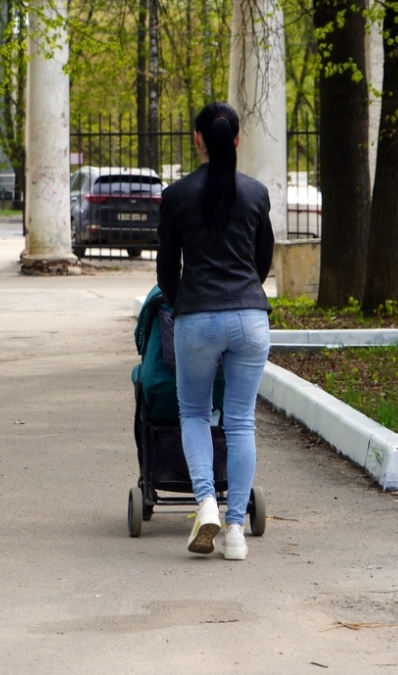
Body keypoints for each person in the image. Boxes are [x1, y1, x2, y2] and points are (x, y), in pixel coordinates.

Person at [156, 102, 274, 561]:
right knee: (240, 420)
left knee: (193, 412)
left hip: (197, 317)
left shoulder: (177, 195)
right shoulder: (256, 193)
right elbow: (262, 261)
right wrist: (244, 294)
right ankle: (236, 530)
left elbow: (167, 267)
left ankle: (205, 501)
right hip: (250, 316)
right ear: (238, 140)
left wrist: (177, 301)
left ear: (197, 139)